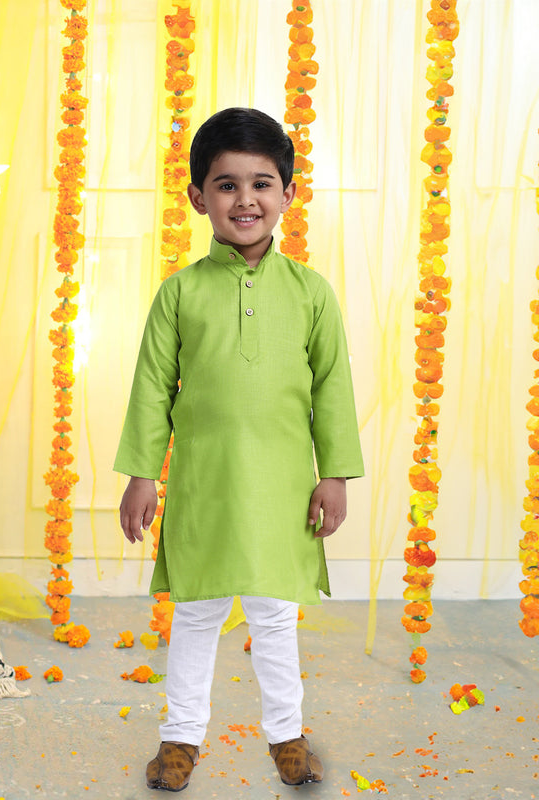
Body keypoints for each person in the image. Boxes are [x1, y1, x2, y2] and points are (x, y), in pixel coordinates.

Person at [114, 107, 364, 792]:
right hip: (205, 484)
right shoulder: (180, 293)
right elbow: (151, 388)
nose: (245, 199)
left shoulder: (310, 292)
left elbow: (332, 388)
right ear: (199, 197)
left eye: (261, 183)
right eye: (226, 185)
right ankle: (180, 740)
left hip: (281, 489)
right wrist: (142, 475)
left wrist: (335, 475)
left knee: (274, 617)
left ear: (289, 193)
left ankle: (287, 737)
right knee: (196, 614)